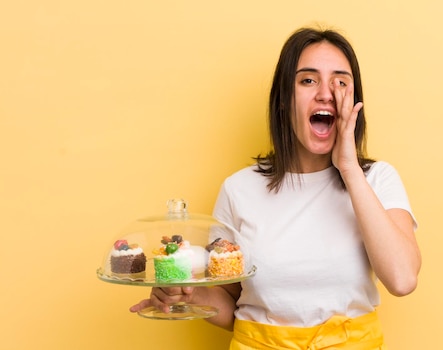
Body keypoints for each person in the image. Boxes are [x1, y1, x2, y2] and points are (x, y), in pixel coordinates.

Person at [130, 26, 421, 349]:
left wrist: (349, 169)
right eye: (308, 80)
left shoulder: (378, 180)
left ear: (355, 102)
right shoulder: (238, 189)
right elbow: (234, 303)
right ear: (283, 100)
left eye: (340, 82)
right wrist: (189, 293)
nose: (326, 92)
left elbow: (403, 279)